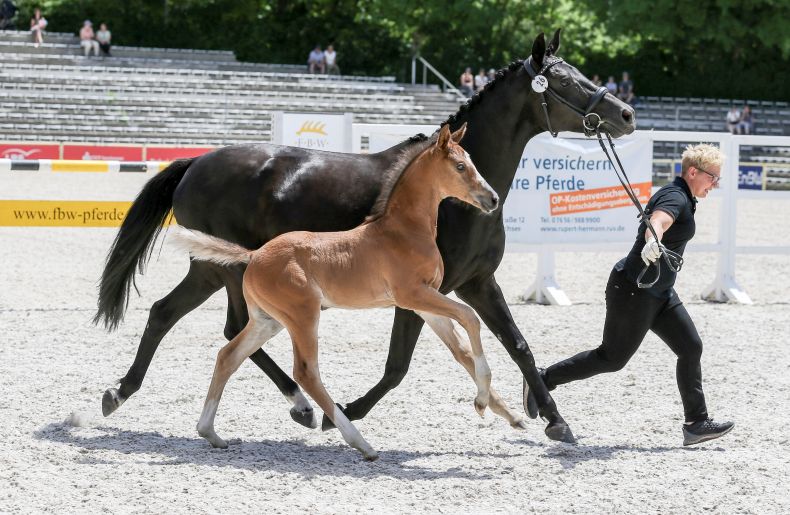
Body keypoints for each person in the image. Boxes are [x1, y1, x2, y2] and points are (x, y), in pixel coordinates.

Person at [525, 143, 735, 447]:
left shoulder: (685, 196)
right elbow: (660, 221)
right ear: (693, 172)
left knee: (690, 347)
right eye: (713, 177)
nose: (715, 184)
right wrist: (653, 240)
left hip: (659, 291)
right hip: (634, 291)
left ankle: (696, 423)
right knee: (611, 358)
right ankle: (542, 379)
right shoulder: (675, 196)